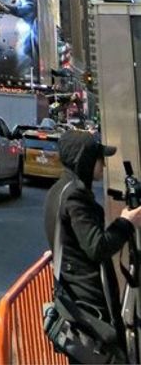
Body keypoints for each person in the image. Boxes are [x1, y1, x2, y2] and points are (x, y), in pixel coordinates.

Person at [45, 132, 141, 363]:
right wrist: (127, 222)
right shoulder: (75, 196)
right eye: (99, 158)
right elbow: (97, 247)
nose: (104, 164)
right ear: (84, 161)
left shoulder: (59, 189)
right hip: (87, 305)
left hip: (75, 298)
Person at [5, 0, 40, 68]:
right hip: (30, 34)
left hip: (33, 34)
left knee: (26, 51)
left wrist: (9, 9)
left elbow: (28, 9)